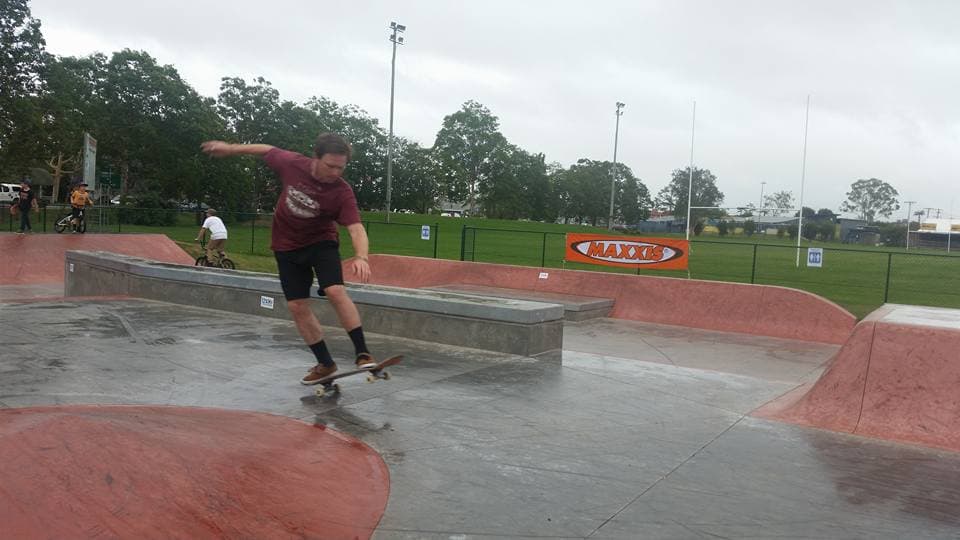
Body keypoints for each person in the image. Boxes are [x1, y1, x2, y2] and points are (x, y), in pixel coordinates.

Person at [201, 133, 377, 385]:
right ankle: (325, 364)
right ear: (315, 158)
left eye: (341, 167)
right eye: (330, 166)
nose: (336, 172)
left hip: (321, 243)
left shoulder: (341, 192)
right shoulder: (292, 163)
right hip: (286, 247)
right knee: (296, 306)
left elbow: (356, 228)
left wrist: (362, 256)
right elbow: (266, 149)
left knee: (335, 290)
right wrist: (230, 149)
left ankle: (362, 352)